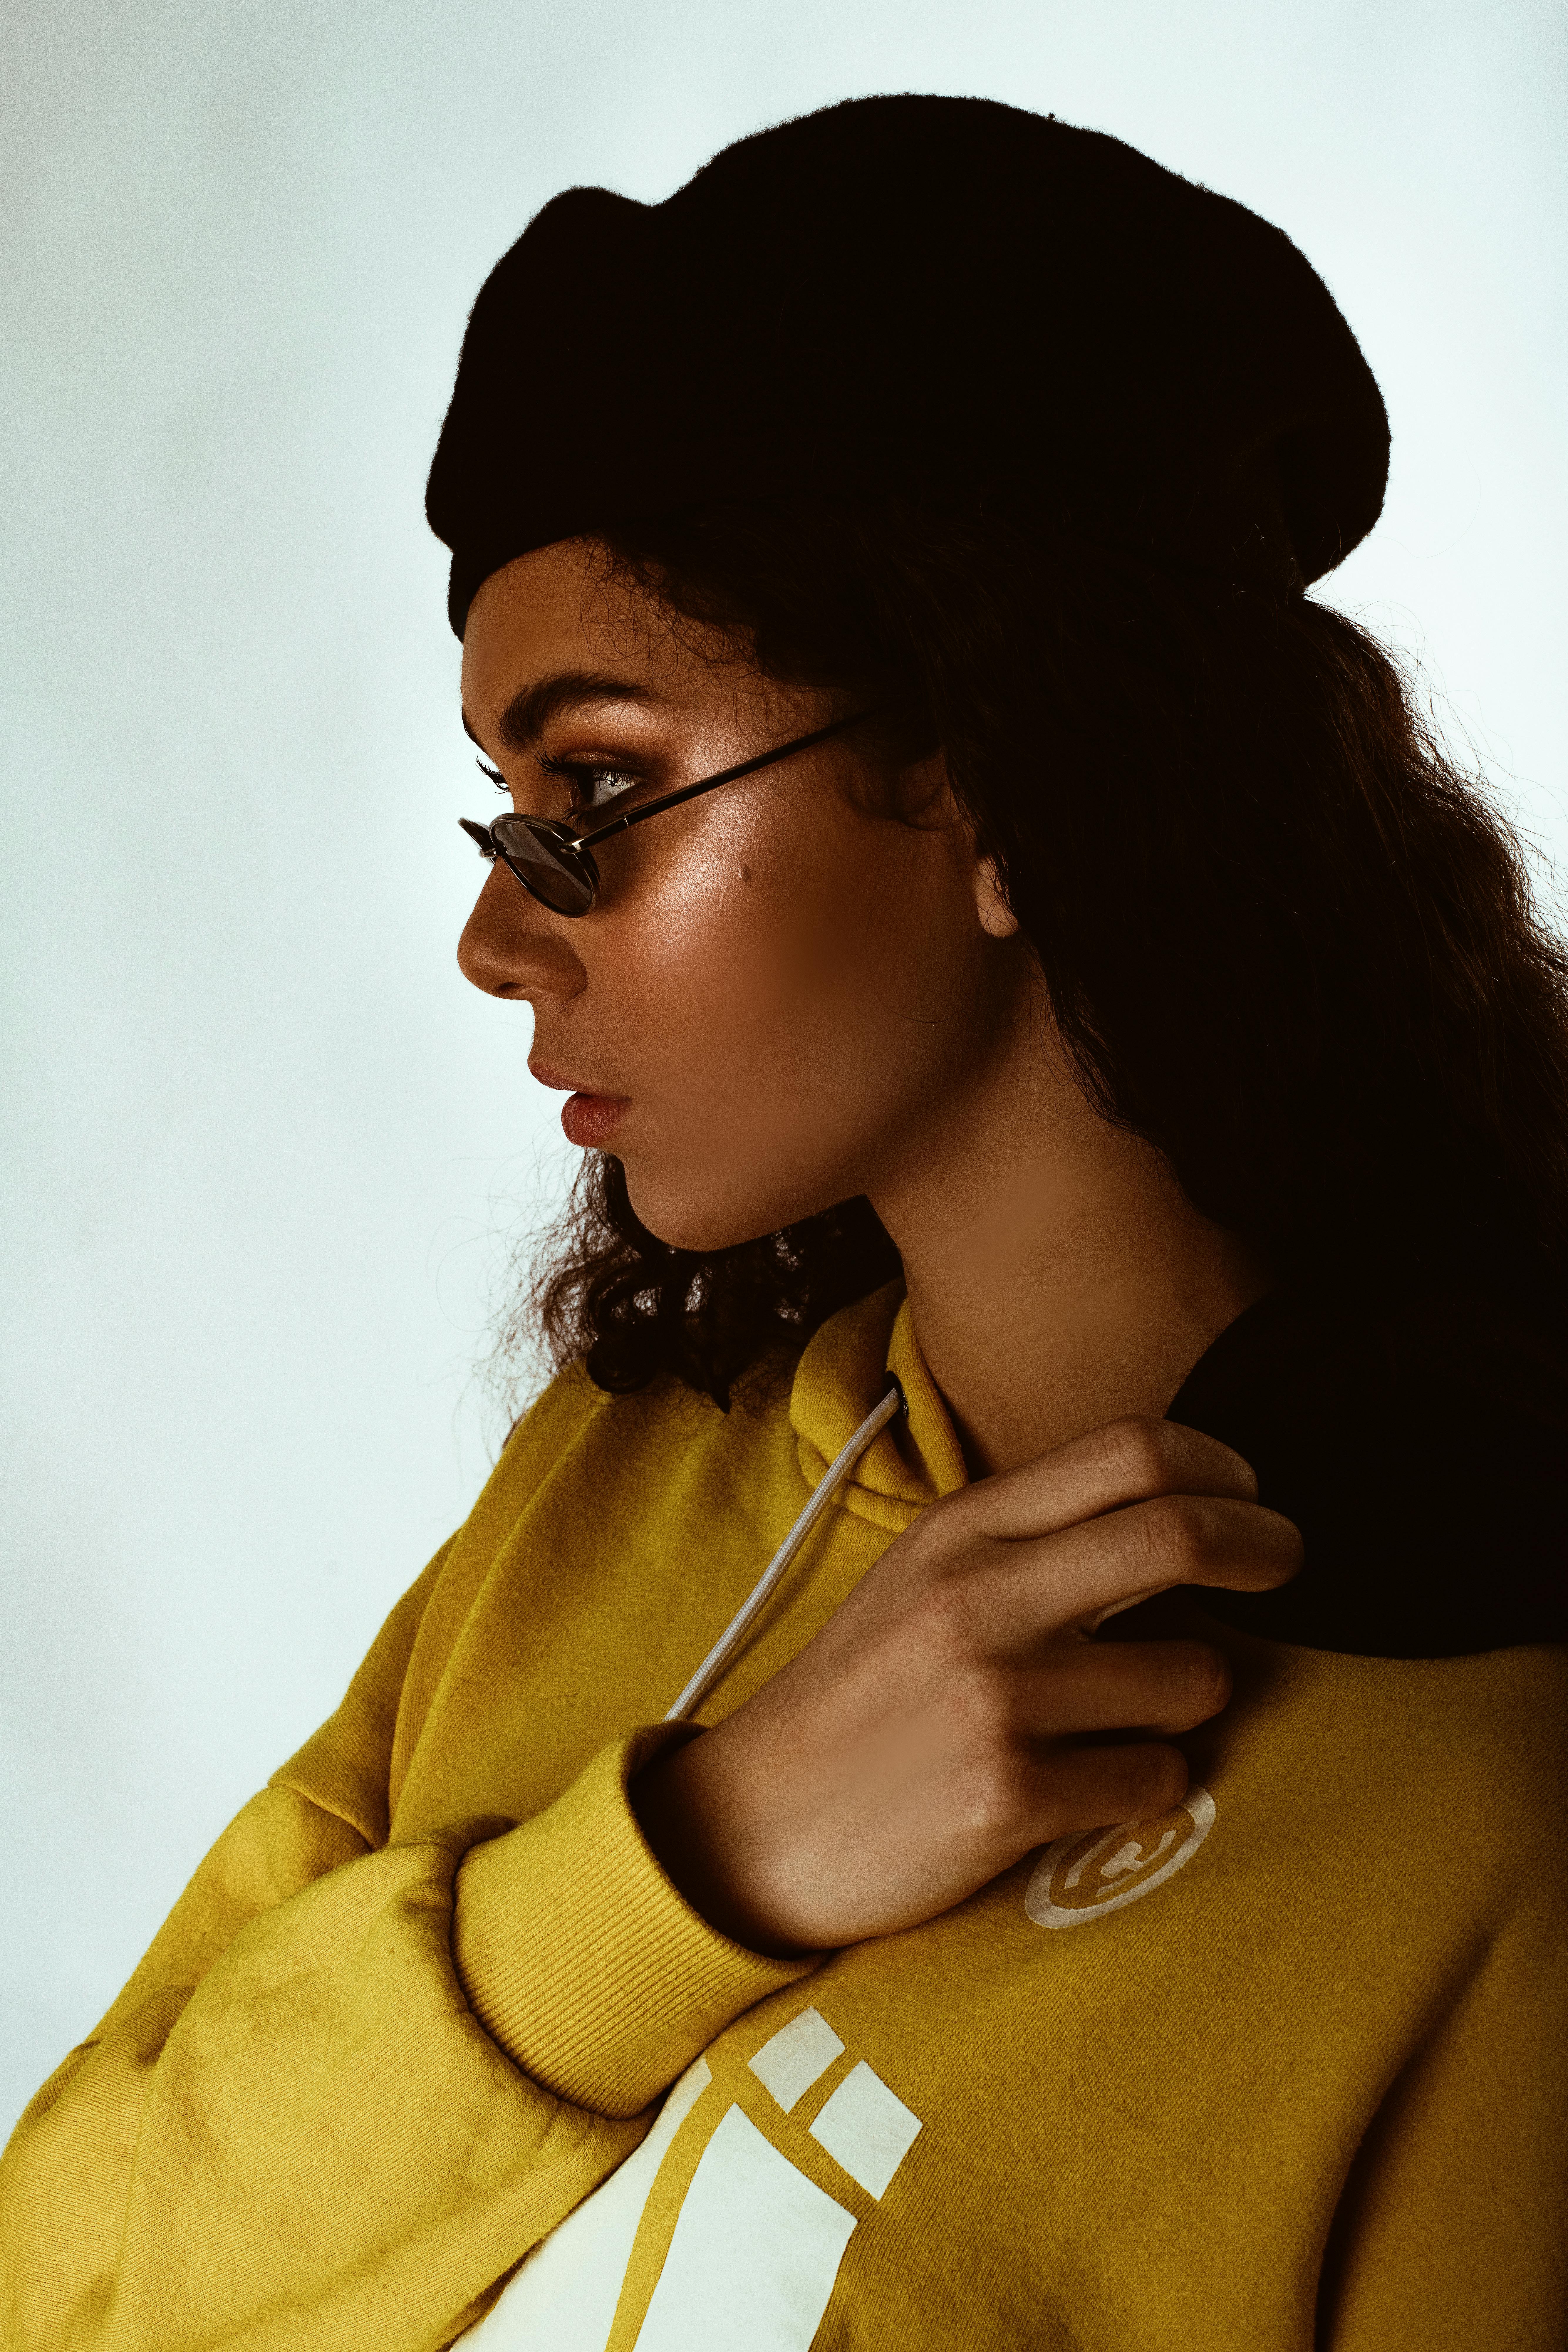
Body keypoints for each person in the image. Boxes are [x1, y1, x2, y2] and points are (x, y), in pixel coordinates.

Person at [3, 94, 1564, 2352]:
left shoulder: (1477, 1809)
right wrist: (689, 1868)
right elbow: (65, 2281)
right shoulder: (616, 1489)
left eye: (599, 797)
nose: (491, 938)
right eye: (506, 808)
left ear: (1017, 792)